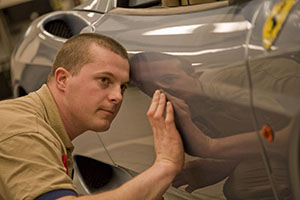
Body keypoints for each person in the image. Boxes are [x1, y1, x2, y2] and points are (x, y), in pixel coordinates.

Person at [0, 33, 184, 200]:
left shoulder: (40, 124)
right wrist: (165, 166)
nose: (118, 96)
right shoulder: (26, 131)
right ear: (63, 79)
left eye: (123, 87)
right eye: (105, 80)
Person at [130, 51, 299, 199]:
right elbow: (253, 136)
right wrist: (216, 165)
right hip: (281, 150)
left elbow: (292, 138)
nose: (162, 89)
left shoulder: (265, 78)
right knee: (244, 186)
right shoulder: (188, 104)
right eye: (149, 86)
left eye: (169, 79)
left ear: (195, 75)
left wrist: (211, 147)